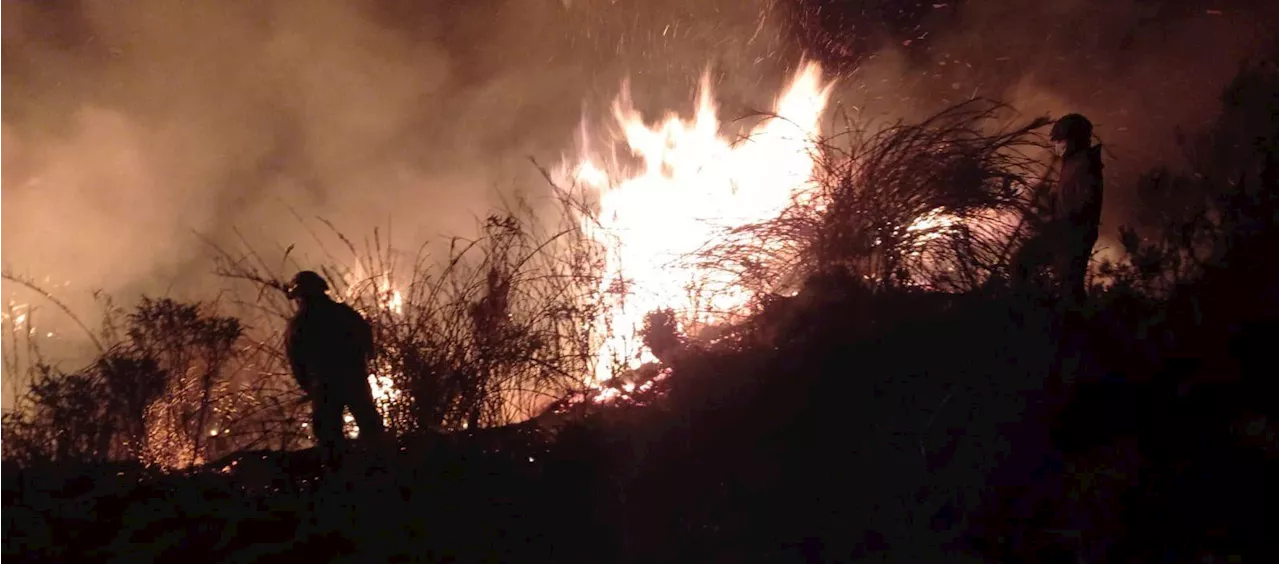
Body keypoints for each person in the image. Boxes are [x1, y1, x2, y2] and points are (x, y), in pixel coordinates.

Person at [283, 270, 386, 464]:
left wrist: (308, 385)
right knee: (370, 426)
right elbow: (367, 342)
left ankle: (338, 479)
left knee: (329, 438)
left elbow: (296, 360)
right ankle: (382, 467)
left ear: (300, 296)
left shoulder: (299, 323)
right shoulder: (345, 313)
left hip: (324, 384)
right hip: (353, 378)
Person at [1014, 113, 1105, 306]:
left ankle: (1043, 319)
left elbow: (1085, 204)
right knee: (1068, 286)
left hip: (1072, 235)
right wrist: (1046, 199)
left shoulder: (1085, 166)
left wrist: (1059, 225)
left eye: (1060, 141)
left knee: (1067, 285)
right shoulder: (1073, 164)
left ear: (1073, 140)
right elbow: (1067, 201)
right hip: (1066, 232)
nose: (1056, 146)